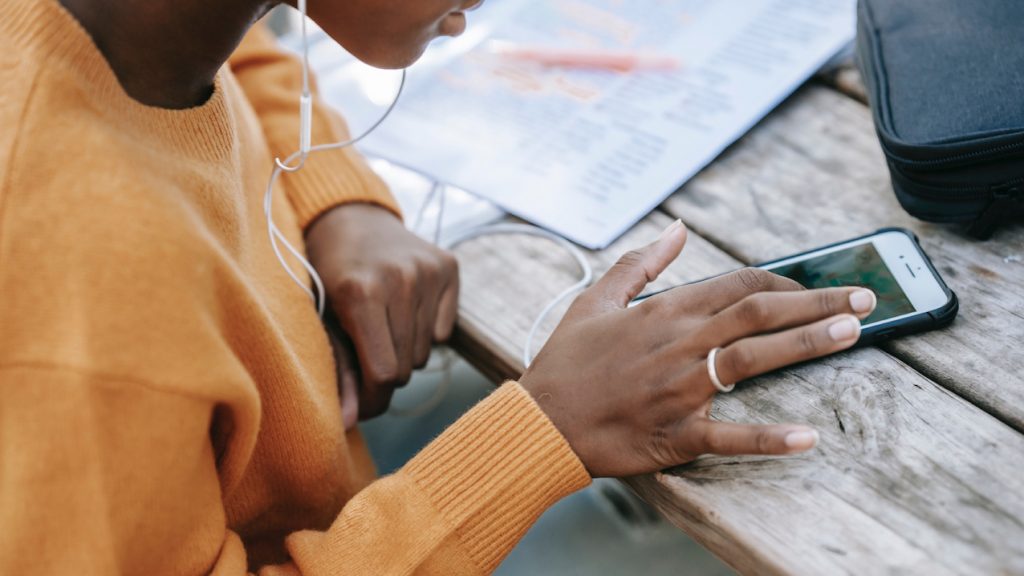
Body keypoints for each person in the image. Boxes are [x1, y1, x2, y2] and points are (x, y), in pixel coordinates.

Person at [0, 0, 879, 573]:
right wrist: (541, 435)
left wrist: (333, 196)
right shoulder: (72, 292)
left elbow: (248, 55)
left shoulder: (140, 28)